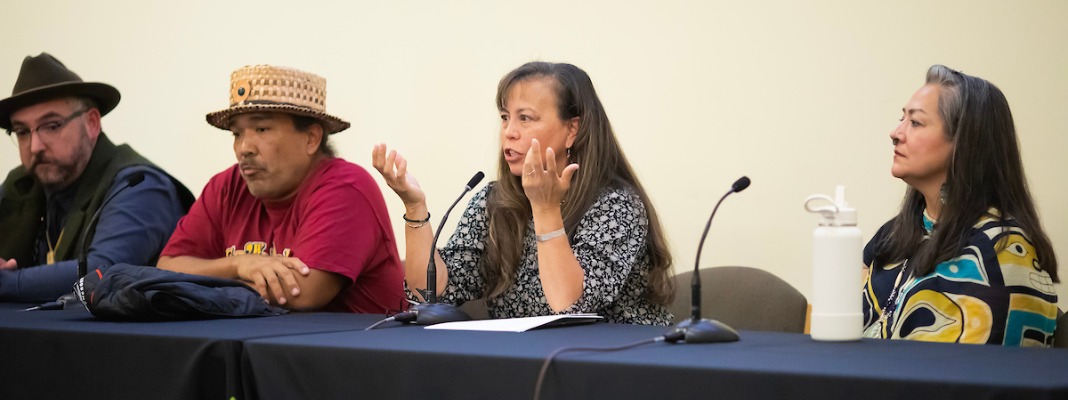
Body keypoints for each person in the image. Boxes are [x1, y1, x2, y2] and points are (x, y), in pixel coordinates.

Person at [372, 61, 674, 325]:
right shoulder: (493, 201)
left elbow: (571, 304)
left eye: (525, 118)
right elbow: (431, 292)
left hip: (615, 366)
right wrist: (415, 207)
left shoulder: (616, 204)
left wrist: (545, 208)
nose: (509, 131)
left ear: (573, 130)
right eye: (505, 117)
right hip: (523, 363)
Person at [158, 65, 405, 313]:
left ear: (311, 139)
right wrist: (238, 265)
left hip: (357, 348)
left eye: (261, 129)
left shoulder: (346, 186)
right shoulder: (227, 187)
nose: (244, 147)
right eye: (236, 133)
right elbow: (168, 267)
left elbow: (300, 292)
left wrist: (200, 282)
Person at [861, 64, 1059, 346]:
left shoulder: (1001, 250)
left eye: (915, 123)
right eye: (901, 119)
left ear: (964, 142)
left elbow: (960, 380)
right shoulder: (893, 235)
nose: (895, 133)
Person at [0, 53, 194, 302]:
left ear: (92, 123)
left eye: (51, 125)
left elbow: (103, 272)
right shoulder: (22, 184)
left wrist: (9, 283)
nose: (35, 146)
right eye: (22, 131)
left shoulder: (139, 185)